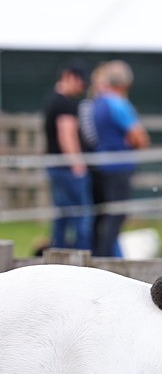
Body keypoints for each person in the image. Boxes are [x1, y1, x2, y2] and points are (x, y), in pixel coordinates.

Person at [83, 60, 150, 257]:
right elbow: (140, 138)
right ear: (126, 83)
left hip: (100, 165)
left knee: (102, 216)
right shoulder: (119, 104)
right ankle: (105, 258)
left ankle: (98, 253)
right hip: (119, 167)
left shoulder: (97, 102)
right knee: (116, 215)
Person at [41, 61, 92, 250]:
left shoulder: (52, 99)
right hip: (67, 168)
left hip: (56, 165)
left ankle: (58, 254)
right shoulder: (65, 103)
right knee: (82, 216)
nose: (82, 87)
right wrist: (77, 164)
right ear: (71, 77)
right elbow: (66, 134)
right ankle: (82, 256)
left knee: (61, 216)